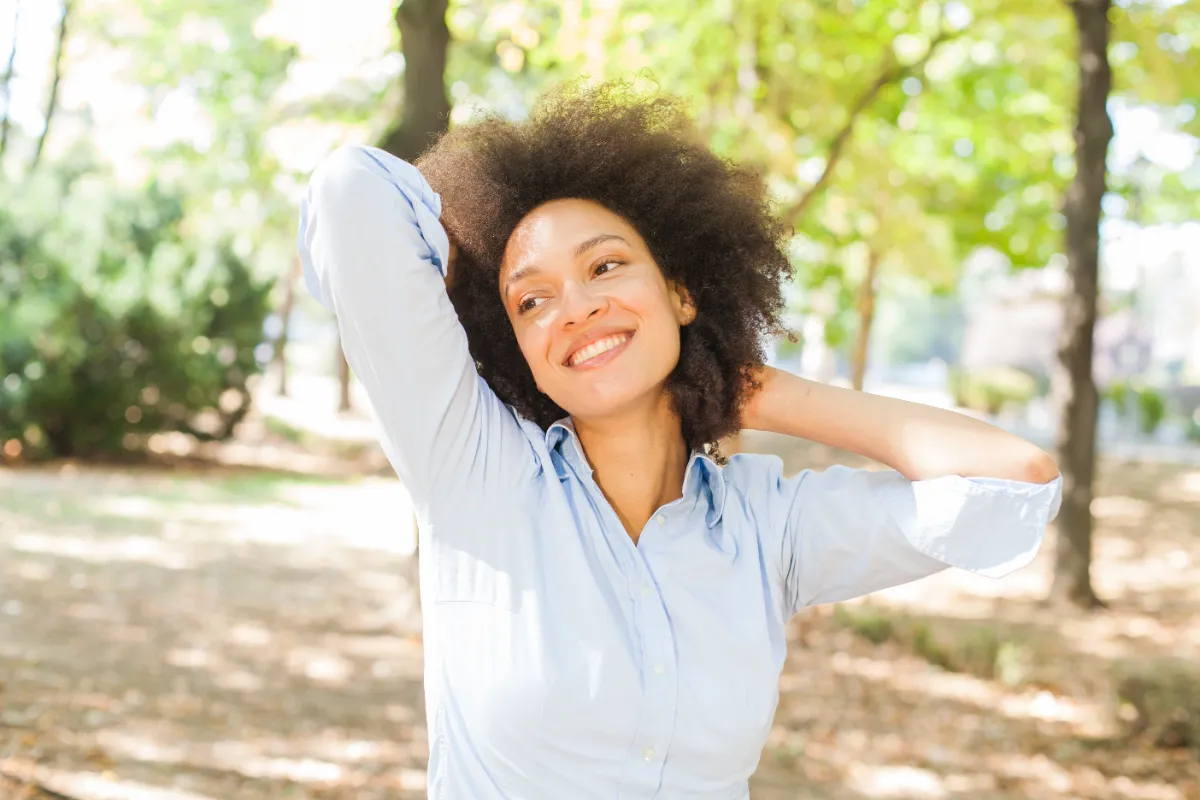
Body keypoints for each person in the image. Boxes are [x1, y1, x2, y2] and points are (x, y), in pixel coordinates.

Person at [298, 83, 1061, 800]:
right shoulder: (472, 473)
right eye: (532, 300)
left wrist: (747, 386)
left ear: (682, 293)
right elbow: (350, 193)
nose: (577, 308)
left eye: (605, 265)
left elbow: (1014, 480)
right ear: (516, 347)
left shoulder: (765, 527)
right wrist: (465, 255)